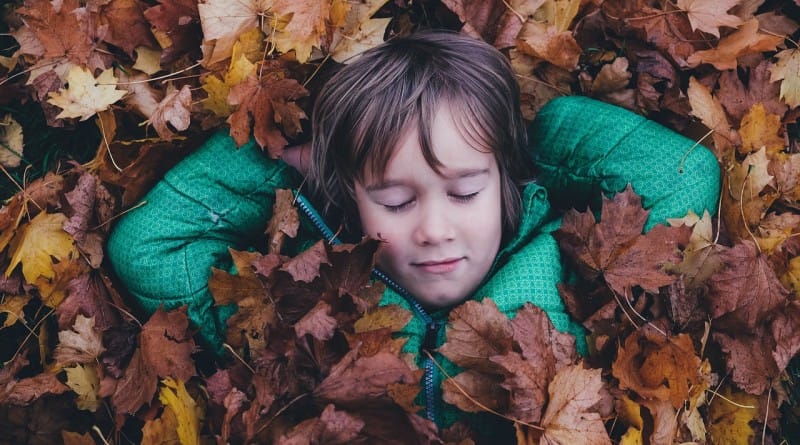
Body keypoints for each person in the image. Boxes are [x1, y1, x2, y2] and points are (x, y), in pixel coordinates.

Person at [106, 30, 720, 431]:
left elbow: (684, 175)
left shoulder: (572, 272)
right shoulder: (301, 303)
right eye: (396, 200)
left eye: (465, 191)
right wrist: (283, 159)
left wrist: (536, 140)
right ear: (351, 201)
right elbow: (148, 247)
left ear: (503, 182)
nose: (435, 228)